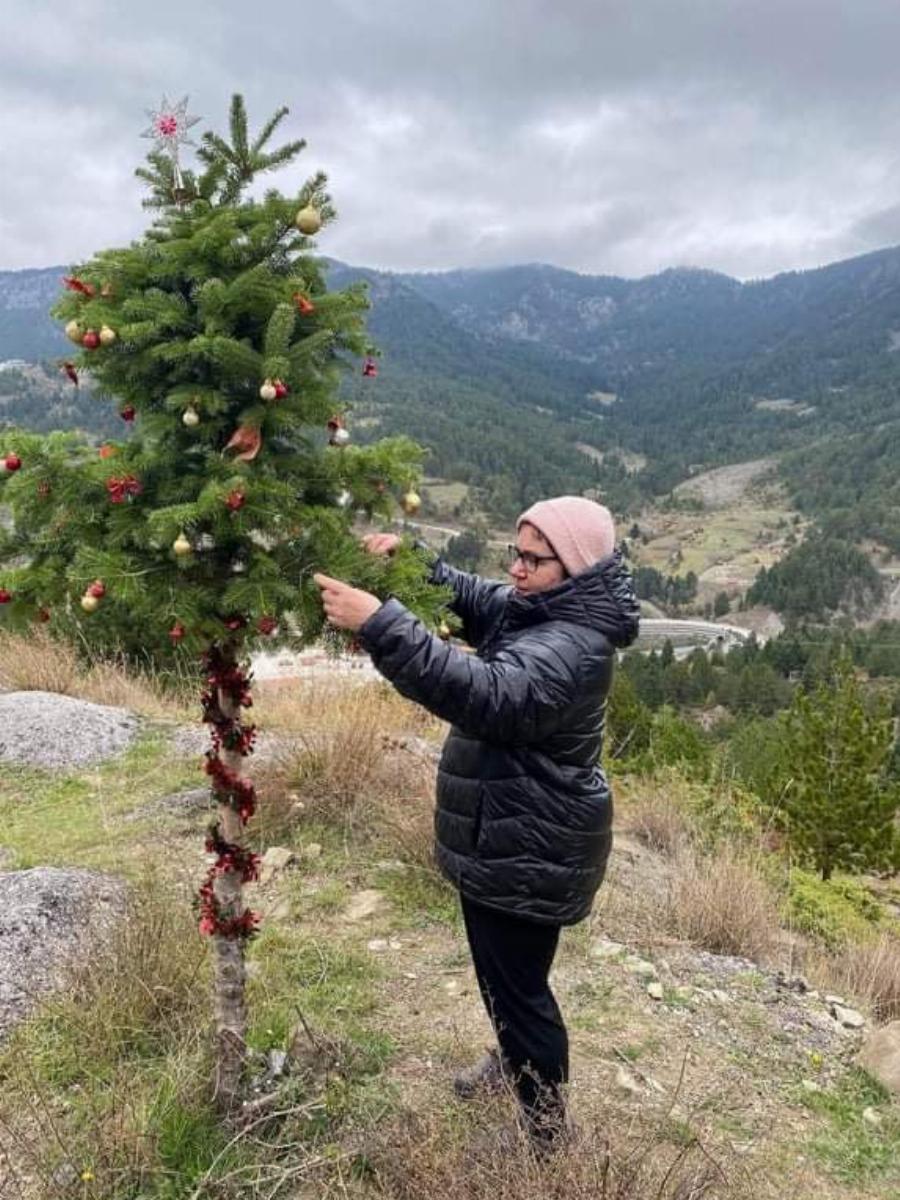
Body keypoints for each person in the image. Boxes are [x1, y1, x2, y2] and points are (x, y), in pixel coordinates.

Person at [314, 495, 640, 1151]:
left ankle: (543, 1136)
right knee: (505, 978)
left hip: (529, 846)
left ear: (572, 567)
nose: (517, 570)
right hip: (511, 836)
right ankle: (512, 1065)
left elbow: (485, 695)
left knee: (522, 995)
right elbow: (475, 597)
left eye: (534, 559)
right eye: (515, 554)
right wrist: (414, 563)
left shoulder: (572, 647)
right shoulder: (542, 607)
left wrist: (381, 624)